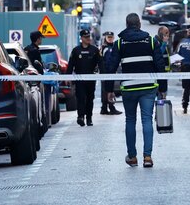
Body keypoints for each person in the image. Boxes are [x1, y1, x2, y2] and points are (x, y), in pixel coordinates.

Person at [105, 13, 167, 168]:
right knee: (147, 119)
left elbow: (110, 67)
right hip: (148, 86)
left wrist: (109, 89)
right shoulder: (151, 41)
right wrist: (163, 88)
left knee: (130, 120)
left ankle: (132, 157)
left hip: (128, 87)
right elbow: (160, 65)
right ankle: (147, 157)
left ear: (127, 25)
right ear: (139, 24)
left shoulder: (119, 44)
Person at [66, 29, 104, 127]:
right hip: (80, 80)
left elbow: (101, 64)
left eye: (89, 37)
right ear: (81, 38)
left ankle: (89, 118)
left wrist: (104, 75)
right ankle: (80, 117)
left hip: (91, 79)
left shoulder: (95, 50)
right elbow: (70, 65)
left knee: (90, 99)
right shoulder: (76, 50)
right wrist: (67, 77)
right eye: (86, 37)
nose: (88, 39)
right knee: (81, 98)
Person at [99, 31, 122, 115]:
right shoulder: (105, 48)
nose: (110, 39)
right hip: (106, 72)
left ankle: (104, 108)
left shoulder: (113, 47)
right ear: (105, 38)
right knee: (107, 90)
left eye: (111, 37)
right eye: (108, 37)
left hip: (110, 72)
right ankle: (110, 108)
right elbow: (106, 61)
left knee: (108, 90)